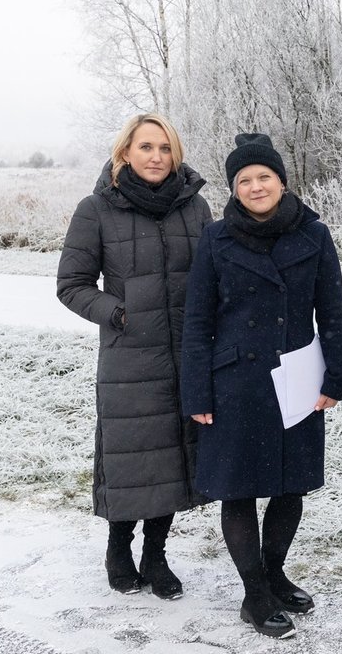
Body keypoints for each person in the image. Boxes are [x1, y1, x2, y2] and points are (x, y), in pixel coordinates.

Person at [180, 133, 342, 639]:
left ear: (281, 180)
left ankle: (274, 573)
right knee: (240, 490)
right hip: (235, 382)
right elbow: (197, 321)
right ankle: (254, 595)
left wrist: (336, 377)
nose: (256, 186)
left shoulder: (314, 235)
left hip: (296, 377)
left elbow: (333, 314)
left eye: (264, 177)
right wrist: (197, 392)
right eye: (245, 180)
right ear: (234, 189)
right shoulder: (216, 239)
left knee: (291, 483)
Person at [56, 112, 212, 600]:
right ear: (125, 152)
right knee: (130, 458)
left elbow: (212, 278)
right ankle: (118, 547)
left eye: (165, 148)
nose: (156, 157)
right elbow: (71, 285)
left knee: (171, 456)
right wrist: (118, 313)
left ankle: (157, 555)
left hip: (185, 356)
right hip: (129, 359)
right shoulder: (96, 209)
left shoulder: (196, 207)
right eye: (146, 147)